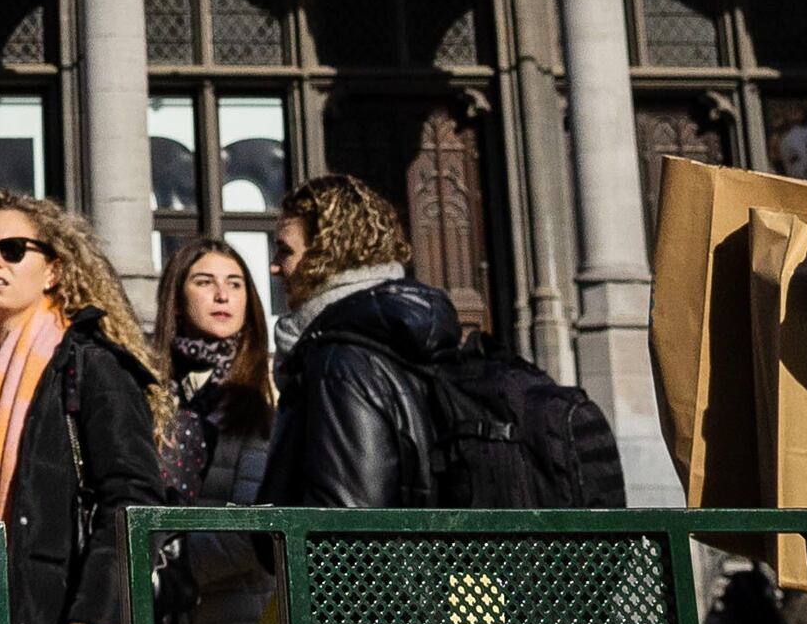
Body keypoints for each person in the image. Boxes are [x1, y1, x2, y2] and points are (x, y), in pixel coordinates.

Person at [259, 171, 617, 509]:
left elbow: (347, 523)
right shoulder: (390, 340)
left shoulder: (341, 361)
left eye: (286, 251)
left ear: (327, 254)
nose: (274, 266)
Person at [0, 194, 166, 624]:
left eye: (13, 249)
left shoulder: (91, 366)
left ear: (53, 270)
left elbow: (134, 500)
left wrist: (94, 619)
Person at [152, 240, 275, 624]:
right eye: (205, 282)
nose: (223, 295)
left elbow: (256, 524)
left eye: (235, 284)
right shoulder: (153, 390)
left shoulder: (265, 389)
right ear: (178, 300)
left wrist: (169, 565)